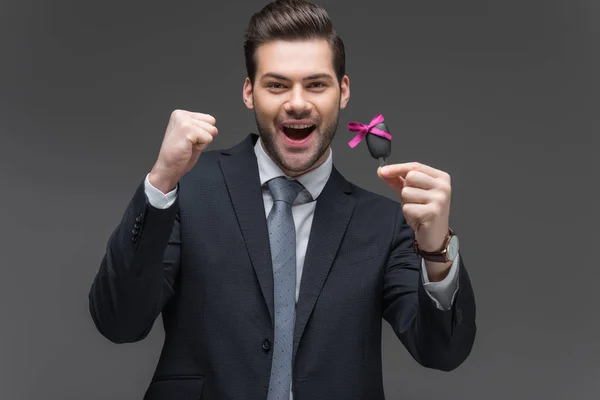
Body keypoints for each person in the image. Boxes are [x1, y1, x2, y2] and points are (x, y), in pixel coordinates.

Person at [88, 0, 476, 399]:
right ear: (249, 92)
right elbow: (118, 322)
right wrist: (161, 180)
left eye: (316, 84)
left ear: (342, 91)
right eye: (276, 85)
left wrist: (436, 250)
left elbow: (442, 352)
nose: (296, 102)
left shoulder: (384, 223)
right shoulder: (187, 189)